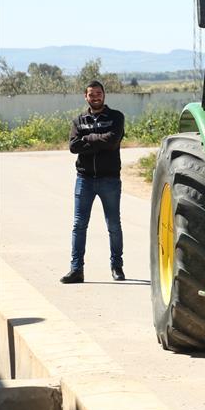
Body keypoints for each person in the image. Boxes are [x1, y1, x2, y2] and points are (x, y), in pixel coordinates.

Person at [61, 80, 126, 283]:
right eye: (91, 94)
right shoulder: (78, 120)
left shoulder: (116, 117)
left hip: (110, 180)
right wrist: (100, 140)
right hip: (85, 180)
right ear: (86, 97)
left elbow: (113, 140)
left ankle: (117, 267)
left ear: (104, 95)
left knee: (113, 225)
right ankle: (76, 270)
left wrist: (87, 140)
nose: (95, 97)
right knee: (79, 225)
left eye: (98, 93)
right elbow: (73, 146)